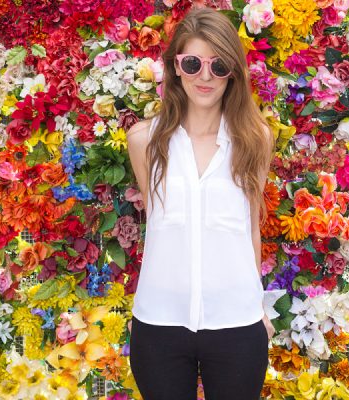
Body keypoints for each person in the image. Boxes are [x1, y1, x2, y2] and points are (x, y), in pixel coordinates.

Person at [126, 7, 279, 400]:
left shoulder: (255, 139)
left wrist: (257, 305)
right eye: (192, 63)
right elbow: (158, 225)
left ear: (234, 71)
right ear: (176, 68)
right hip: (159, 323)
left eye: (219, 64)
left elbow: (250, 225)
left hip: (236, 324)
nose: (205, 76)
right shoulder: (145, 140)